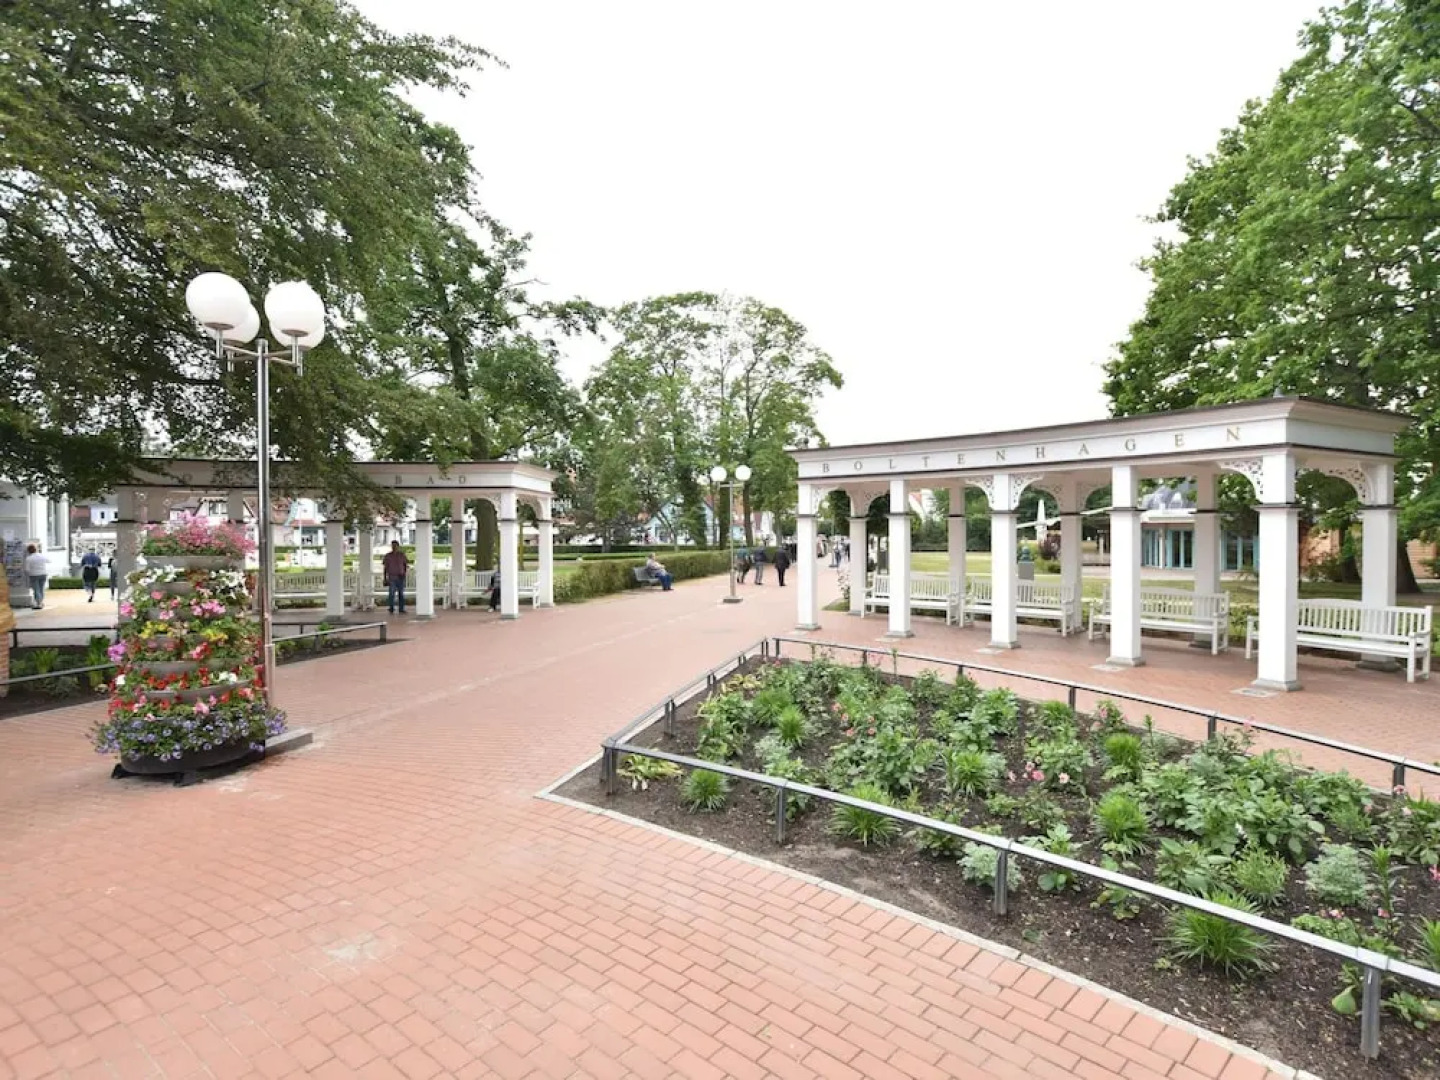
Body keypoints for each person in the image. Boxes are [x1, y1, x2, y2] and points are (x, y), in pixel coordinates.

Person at [382, 540, 408, 614]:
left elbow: (405, 565)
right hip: (392, 577)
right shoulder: (388, 556)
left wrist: (404, 573)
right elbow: (385, 568)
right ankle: (391, 608)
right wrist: (385, 578)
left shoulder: (402, 555)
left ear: (398, 546)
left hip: (401, 577)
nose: (394, 547)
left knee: (401, 594)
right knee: (391, 593)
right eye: (392, 546)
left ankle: (401, 609)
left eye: (395, 546)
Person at [23, 544, 48, 609]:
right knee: (41, 589)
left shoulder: (28, 558)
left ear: (28, 551)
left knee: (36, 590)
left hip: (34, 575)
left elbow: (27, 569)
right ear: (36, 549)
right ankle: (41, 602)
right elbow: (49, 560)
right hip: (43, 574)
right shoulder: (41, 556)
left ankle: (39, 603)